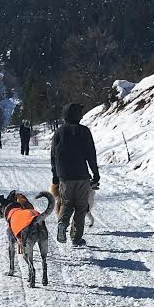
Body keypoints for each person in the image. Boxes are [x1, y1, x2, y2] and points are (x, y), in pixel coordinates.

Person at [50, 102, 99, 246]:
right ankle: (76, 238)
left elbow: (53, 155)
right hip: (82, 175)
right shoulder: (84, 131)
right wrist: (95, 173)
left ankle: (62, 224)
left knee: (66, 203)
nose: (82, 114)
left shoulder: (59, 131)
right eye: (80, 112)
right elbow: (91, 154)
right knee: (81, 207)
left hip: (64, 176)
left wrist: (55, 174)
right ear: (76, 115)